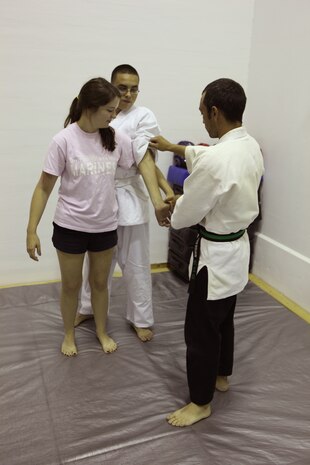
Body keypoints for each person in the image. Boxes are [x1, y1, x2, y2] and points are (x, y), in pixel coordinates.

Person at [150, 78, 264, 426]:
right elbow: (210, 157)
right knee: (224, 317)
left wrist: (171, 204)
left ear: (215, 112)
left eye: (202, 113)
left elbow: (187, 213)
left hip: (213, 257)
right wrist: (175, 147)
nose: (201, 120)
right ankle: (221, 376)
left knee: (200, 329)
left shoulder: (218, 161)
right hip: (237, 249)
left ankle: (200, 402)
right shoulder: (250, 145)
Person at [26, 77, 159, 357]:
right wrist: (31, 230)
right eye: (110, 110)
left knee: (100, 284)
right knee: (72, 286)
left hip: (105, 226)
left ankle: (101, 331)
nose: (114, 115)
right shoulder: (63, 141)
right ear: (90, 107)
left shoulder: (113, 136)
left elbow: (140, 161)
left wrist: (164, 189)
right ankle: (68, 335)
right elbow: (43, 187)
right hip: (70, 227)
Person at [75, 64, 174, 342]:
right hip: (101, 196)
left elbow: (146, 158)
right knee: (96, 262)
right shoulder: (99, 112)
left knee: (137, 263)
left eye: (134, 89)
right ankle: (87, 307)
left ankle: (140, 318)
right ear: (111, 86)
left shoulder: (143, 116)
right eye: (122, 88)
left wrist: (162, 193)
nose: (128, 94)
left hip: (131, 195)